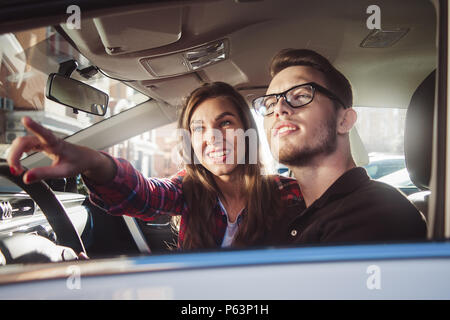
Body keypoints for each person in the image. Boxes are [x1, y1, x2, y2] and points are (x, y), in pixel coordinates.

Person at [7, 82, 302, 251]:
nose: (212, 136)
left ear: (247, 131)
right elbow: (143, 194)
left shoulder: (285, 192)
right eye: (198, 128)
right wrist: (93, 162)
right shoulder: (189, 188)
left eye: (225, 122)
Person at [252, 49, 427, 245]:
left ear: (344, 121)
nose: (279, 109)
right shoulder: (288, 210)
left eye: (300, 96)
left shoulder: (378, 213)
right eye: (269, 104)